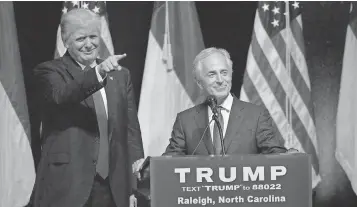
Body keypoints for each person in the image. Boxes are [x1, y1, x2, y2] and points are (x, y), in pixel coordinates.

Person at [33, 9, 144, 207]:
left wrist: (137, 180)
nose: (89, 44)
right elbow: (62, 95)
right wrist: (97, 72)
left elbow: (130, 130)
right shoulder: (49, 71)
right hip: (67, 184)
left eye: (93, 36)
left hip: (112, 185)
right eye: (80, 39)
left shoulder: (120, 75)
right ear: (66, 41)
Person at [163, 47, 288, 156]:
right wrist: (146, 165)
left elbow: (276, 156)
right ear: (199, 83)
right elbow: (168, 163)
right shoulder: (185, 120)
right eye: (212, 74)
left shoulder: (257, 115)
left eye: (224, 73)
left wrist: (291, 156)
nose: (220, 80)